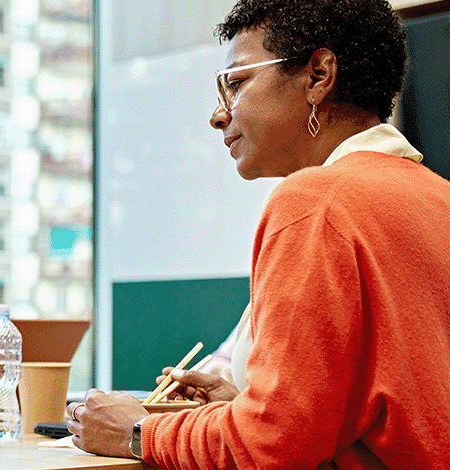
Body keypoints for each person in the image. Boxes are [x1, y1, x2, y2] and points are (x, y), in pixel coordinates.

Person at [67, 1, 450, 468]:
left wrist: (136, 432)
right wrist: (239, 406)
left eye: (236, 83)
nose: (218, 114)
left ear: (318, 76)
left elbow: (270, 447)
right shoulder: (437, 197)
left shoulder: (316, 201)